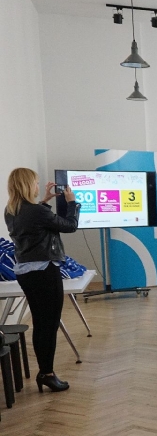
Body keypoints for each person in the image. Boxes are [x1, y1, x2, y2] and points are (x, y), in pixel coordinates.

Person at [4, 168, 80, 393]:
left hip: (26, 272)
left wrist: (45, 201)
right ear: (28, 185)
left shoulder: (11, 210)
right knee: (49, 324)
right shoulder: (36, 211)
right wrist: (72, 203)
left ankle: (45, 372)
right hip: (44, 271)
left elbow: (35, 224)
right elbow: (70, 226)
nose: (38, 186)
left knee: (41, 322)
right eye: (36, 183)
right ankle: (47, 374)